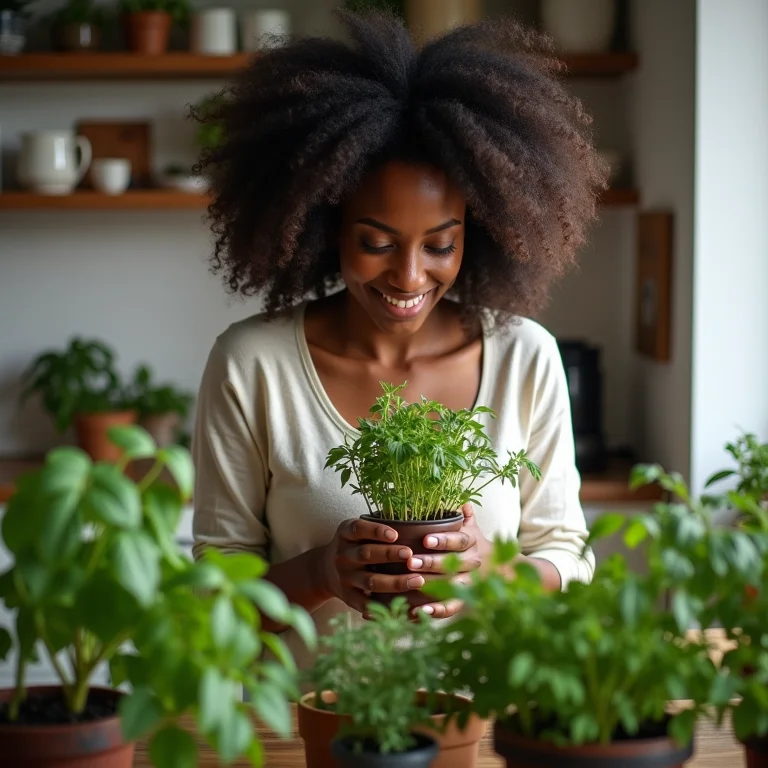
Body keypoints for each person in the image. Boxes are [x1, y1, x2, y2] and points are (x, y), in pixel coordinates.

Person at [191, 9, 605, 668]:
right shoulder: (252, 365)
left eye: (440, 244)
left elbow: (568, 557)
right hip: (311, 736)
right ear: (327, 227)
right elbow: (213, 597)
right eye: (376, 242)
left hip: (483, 729)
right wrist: (320, 574)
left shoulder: (524, 357)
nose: (409, 276)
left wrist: (491, 580)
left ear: (482, 227)